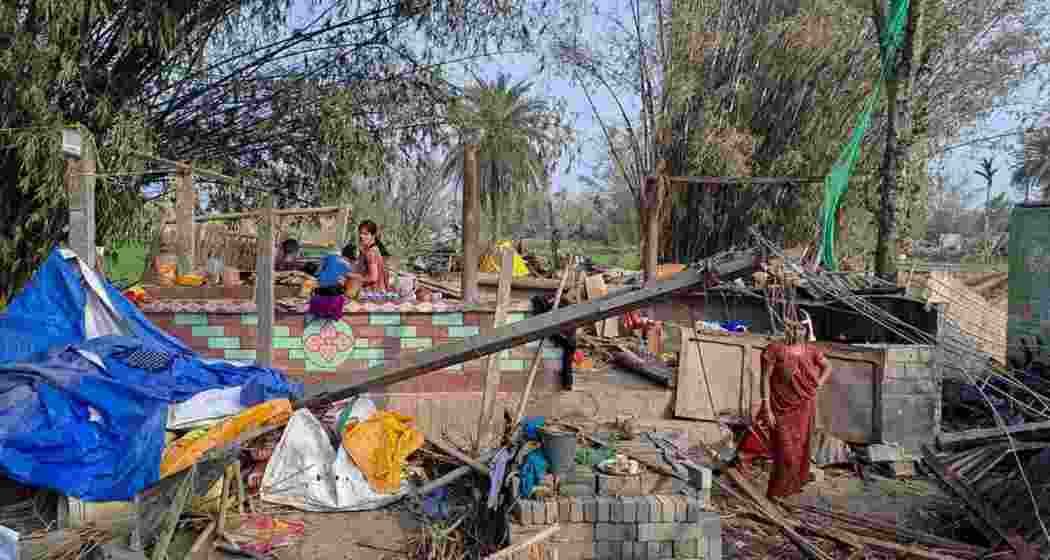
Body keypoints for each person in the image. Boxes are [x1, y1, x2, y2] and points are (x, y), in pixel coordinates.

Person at [736, 314, 832, 499]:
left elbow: (827, 367)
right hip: (780, 408)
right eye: (793, 328)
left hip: (805, 407)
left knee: (800, 452)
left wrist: (818, 384)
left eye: (801, 328)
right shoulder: (775, 349)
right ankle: (775, 493)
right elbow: (765, 379)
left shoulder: (811, 350)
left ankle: (788, 493)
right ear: (786, 329)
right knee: (785, 454)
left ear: (805, 331)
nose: (797, 332)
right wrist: (766, 408)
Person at [307, 243, 356, 320]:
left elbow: (317, 273)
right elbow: (347, 285)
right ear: (351, 259)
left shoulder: (328, 257)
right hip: (334, 300)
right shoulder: (348, 266)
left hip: (319, 295)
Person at [347, 220, 389, 292]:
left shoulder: (371, 252)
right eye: (360, 233)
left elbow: (373, 277)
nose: (361, 236)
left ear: (373, 235)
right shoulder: (373, 250)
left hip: (372, 294)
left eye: (365, 234)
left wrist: (355, 277)